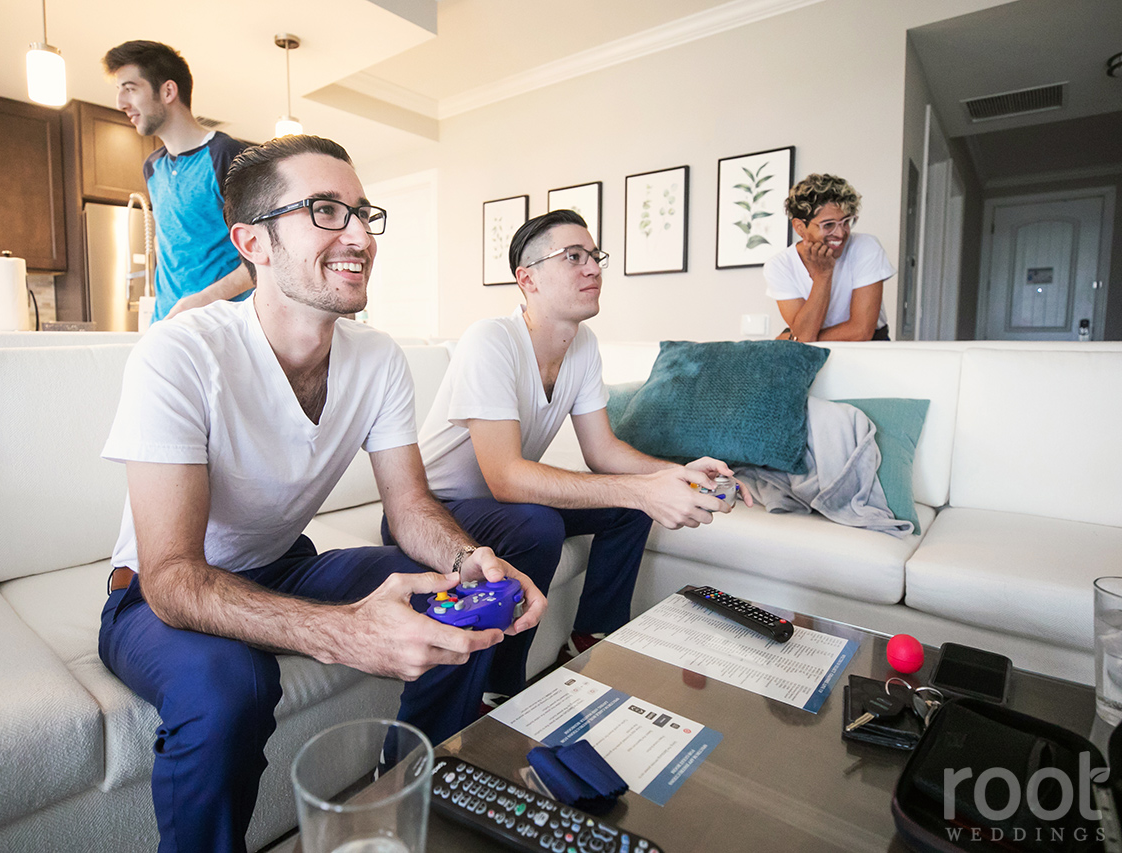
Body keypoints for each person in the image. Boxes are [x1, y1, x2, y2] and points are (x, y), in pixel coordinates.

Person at [97, 134, 546, 853]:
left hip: (284, 562)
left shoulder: (378, 358)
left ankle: (409, 793)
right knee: (228, 686)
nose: (361, 235)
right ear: (254, 242)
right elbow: (174, 576)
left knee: (451, 596)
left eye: (363, 212)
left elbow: (410, 509)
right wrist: (344, 630)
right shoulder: (180, 355)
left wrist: (471, 562)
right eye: (326, 211)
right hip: (154, 591)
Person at [406, 210, 746, 705]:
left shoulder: (583, 345)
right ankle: (499, 689)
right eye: (573, 258)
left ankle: (592, 641)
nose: (593, 268)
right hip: (436, 510)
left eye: (594, 257)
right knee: (537, 524)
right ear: (528, 280)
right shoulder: (491, 340)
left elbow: (603, 450)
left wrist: (676, 473)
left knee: (629, 508)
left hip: (500, 509)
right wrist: (641, 488)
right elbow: (506, 480)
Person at [103, 40, 254, 321]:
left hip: (224, 324)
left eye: (130, 89)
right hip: (167, 324)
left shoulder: (226, 155)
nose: (120, 103)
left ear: (168, 91)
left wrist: (202, 301)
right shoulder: (153, 167)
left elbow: (265, 254)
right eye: (119, 90)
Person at [764, 173, 895, 342]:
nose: (840, 233)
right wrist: (823, 275)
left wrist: (794, 340)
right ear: (799, 227)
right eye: (828, 225)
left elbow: (861, 332)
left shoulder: (866, 247)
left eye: (846, 222)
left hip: (869, 349)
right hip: (813, 353)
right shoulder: (779, 266)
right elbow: (804, 335)